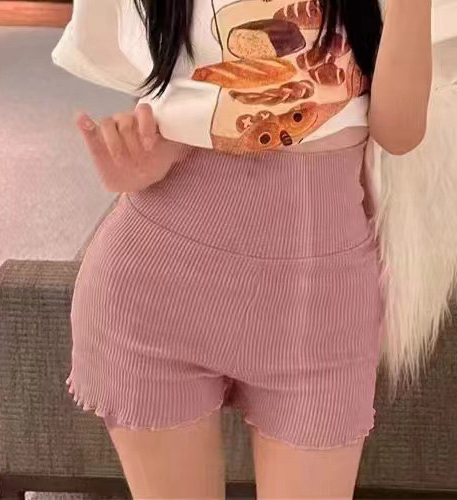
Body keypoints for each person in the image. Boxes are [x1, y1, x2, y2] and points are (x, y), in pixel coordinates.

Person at [51, 0, 434, 498]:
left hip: (318, 308)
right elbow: (180, 94)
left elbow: (400, 132)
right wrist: (137, 154)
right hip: (154, 283)